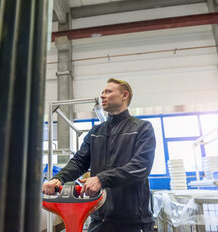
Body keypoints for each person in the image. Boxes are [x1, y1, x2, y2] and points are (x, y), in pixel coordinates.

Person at [43, 78, 156, 232]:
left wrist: (101, 179)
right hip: (99, 220)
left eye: (108, 92)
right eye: (102, 92)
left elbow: (141, 166)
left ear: (124, 95)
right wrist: (58, 178)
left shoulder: (142, 128)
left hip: (134, 222)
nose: (102, 95)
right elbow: (79, 162)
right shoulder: (96, 132)